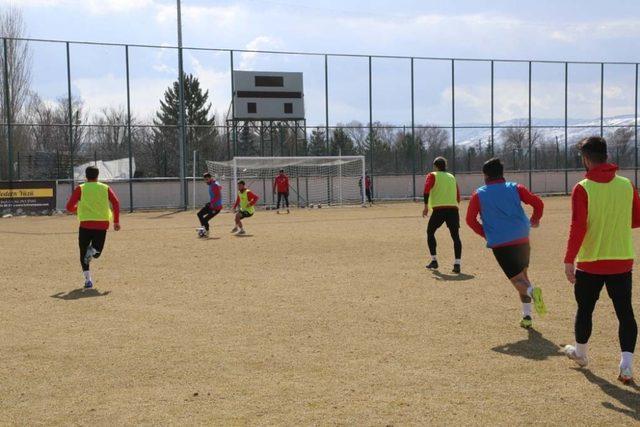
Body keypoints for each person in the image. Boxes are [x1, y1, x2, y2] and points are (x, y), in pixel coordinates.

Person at [562, 136, 640, 385]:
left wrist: (568, 259)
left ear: (586, 158)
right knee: (625, 313)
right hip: (621, 259)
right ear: (606, 155)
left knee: (585, 310)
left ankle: (581, 354)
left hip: (590, 262)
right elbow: (637, 219)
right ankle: (626, 366)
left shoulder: (582, 187)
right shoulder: (627, 185)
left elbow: (578, 226)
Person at [466, 158, 546, 329]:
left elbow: (470, 220)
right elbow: (538, 202)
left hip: (501, 243)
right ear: (502, 173)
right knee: (523, 277)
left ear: (485, 175)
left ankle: (533, 293)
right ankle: (527, 317)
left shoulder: (479, 194)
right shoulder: (515, 187)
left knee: (518, 281)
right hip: (522, 238)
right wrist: (535, 219)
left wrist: (486, 234)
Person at [65, 166, 120, 289]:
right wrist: (116, 221)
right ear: (97, 176)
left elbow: (69, 207)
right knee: (96, 252)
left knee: (83, 253)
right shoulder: (105, 188)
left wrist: (78, 209)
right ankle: (93, 252)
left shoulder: (81, 188)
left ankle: (88, 279)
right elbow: (116, 202)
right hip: (102, 224)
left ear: (86, 176)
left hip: (85, 224)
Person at [423, 157, 462, 273]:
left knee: (430, 232)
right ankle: (457, 263)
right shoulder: (452, 177)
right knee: (456, 237)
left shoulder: (432, 175)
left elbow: (426, 190)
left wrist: (426, 206)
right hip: (453, 209)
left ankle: (434, 260)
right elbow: (458, 196)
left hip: (439, 210)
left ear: (435, 166)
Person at [196, 173, 222, 238]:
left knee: (205, 220)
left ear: (210, 178)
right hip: (212, 205)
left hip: (216, 207)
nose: (206, 181)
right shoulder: (212, 184)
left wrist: (211, 203)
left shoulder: (214, 185)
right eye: (205, 180)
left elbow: (218, 196)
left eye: (207, 179)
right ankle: (204, 230)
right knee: (199, 214)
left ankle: (206, 232)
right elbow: (220, 187)